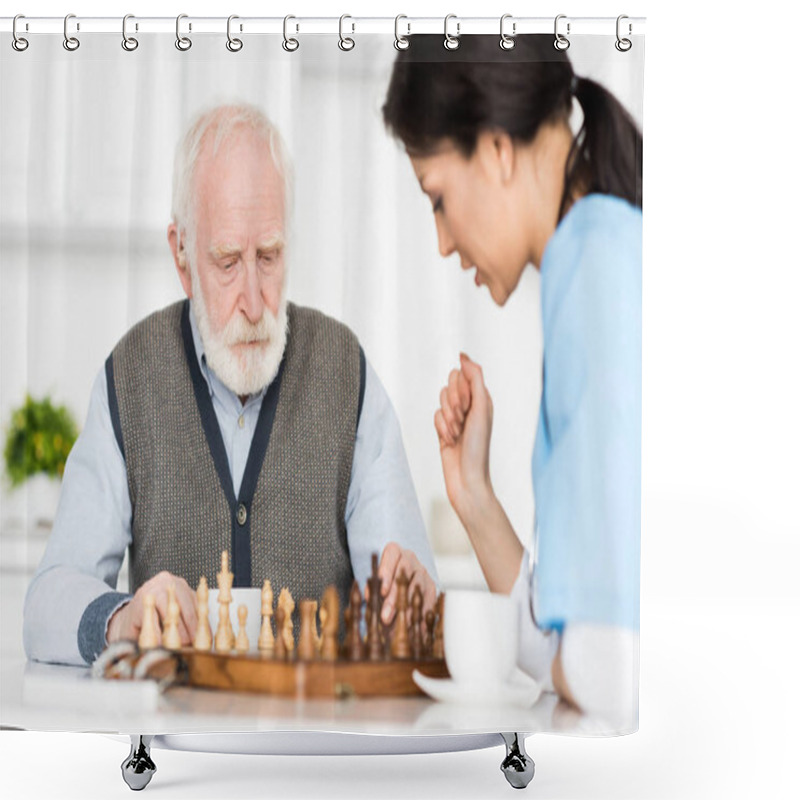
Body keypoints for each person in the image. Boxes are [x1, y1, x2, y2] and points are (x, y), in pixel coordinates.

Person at [23, 103, 437, 667]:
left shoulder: (347, 372)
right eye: (225, 262)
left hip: (317, 750)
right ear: (182, 255)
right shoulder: (131, 375)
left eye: (268, 256)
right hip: (172, 749)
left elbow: (407, 589)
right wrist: (122, 618)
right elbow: (46, 603)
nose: (252, 301)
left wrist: (410, 598)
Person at [383, 35, 641, 723]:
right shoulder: (595, 252)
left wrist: (577, 658)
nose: (441, 241)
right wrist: (472, 496)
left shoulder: (595, 275)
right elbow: (573, 641)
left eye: (437, 198)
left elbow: (608, 669)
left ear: (497, 149)